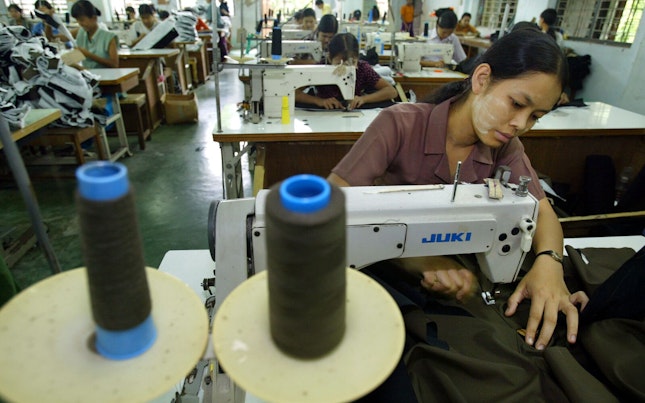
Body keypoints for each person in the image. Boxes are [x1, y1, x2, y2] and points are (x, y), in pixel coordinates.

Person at [328, 29, 588, 351]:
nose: (521, 123)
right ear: (481, 79)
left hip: (455, 284)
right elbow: (331, 209)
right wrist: (413, 259)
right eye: (517, 104)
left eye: (535, 116)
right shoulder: (399, 125)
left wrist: (550, 262)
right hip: (379, 274)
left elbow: (543, 211)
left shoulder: (505, 147)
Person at [295, 33, 398, 110]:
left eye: (352, 62)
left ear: (357, 57)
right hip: (324, 114)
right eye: (339, 62)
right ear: (329, 58)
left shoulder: (362, 68)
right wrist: (319, 101)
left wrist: (364, 99)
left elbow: (391, 91)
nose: (344, 67)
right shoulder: (320, 69)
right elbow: (294, 93)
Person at [71, 0, 118, 68]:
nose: (80, 23)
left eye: (82, 20)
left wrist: (88, 55)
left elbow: (114, 64)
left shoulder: (109, 37)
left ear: (94, 18)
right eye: (77, 20)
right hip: (88, 76)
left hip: (106, 76)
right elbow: (56, 37)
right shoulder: (81, 33)